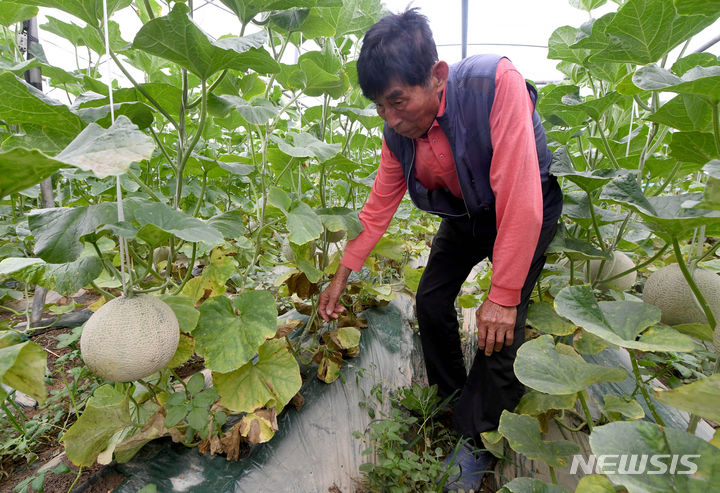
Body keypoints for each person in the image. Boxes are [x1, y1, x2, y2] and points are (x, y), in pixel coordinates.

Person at [319, 8, 563, 491]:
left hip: (526, 202)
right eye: (379, 107)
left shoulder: (495, 83)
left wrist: (504, 292)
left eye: (397, 101)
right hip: (469, 214)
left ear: (437, 77)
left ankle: (479, 439)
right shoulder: (399, 133)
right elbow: (378, 207)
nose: (390, 118)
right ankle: (451, 401)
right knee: (430, 298)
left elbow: (520, 195)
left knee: (501, 330)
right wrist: (342, 274)